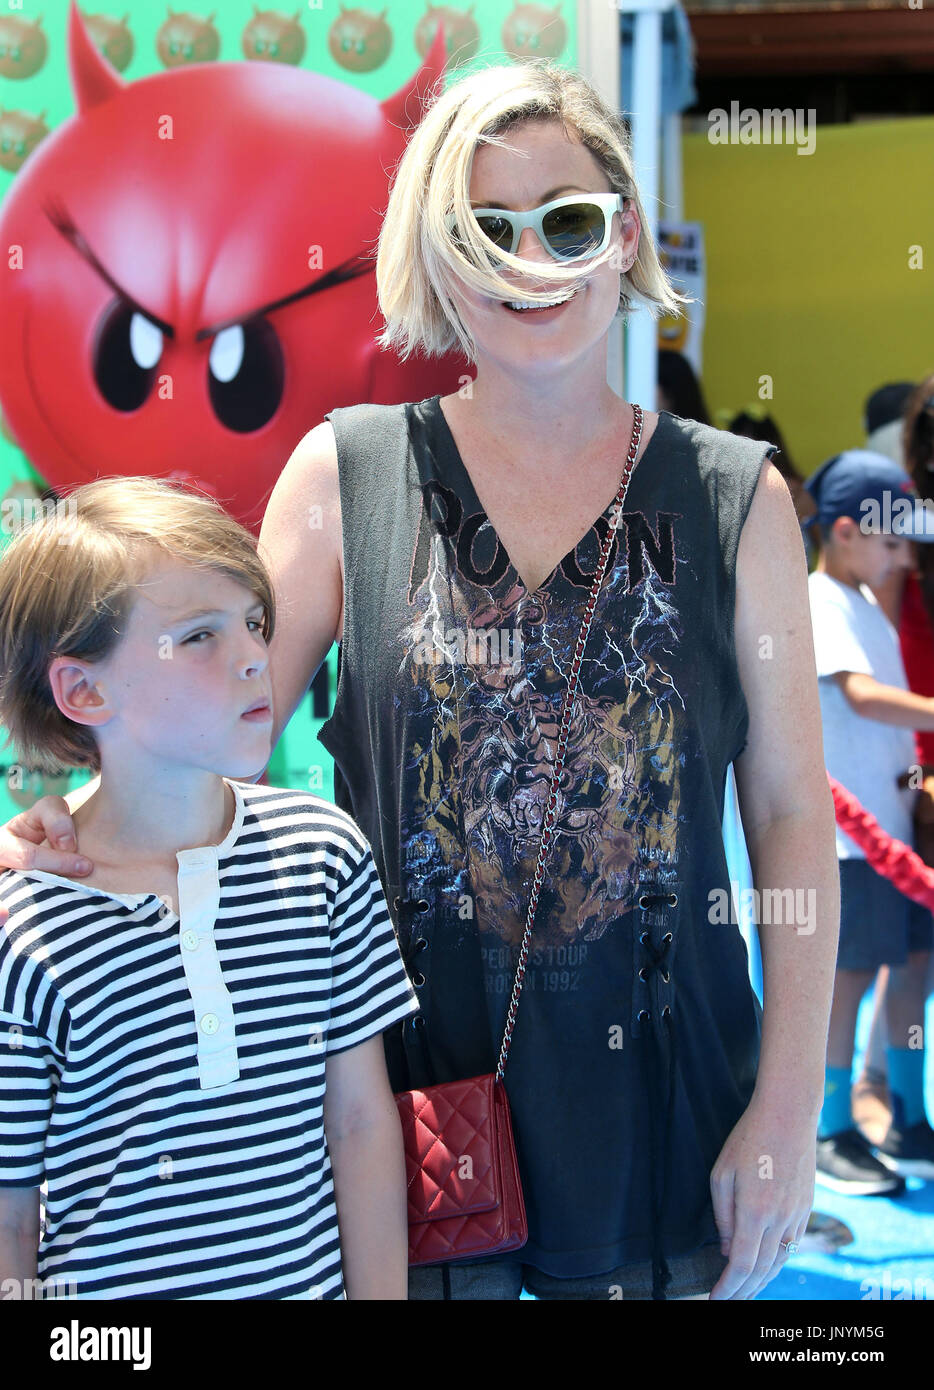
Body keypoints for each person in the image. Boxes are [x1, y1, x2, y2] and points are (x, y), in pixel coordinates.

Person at [0, 60, 839, 1301]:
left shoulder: (736, 499)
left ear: (621, 239)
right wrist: (59, 824)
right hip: (410, 1141)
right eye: (479, 228)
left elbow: (786, 815)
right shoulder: (348, 478)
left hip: (671, 1117)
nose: (525, 261)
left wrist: (786, 1110)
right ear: (433, 258)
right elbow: (215, 721)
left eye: (563, 220)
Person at [0, 476, 419, 1300]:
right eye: (198, 636)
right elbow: (10, 1216)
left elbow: (362, 1126)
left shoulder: (324, 856)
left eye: (254, 622)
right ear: (85, 690)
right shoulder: (24, 929)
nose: (258, 654)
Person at [803, 449, 934, 1193]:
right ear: (846, 532)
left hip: (888, 835)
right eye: (892, 541)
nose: (904, 556)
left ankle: (910, 1118)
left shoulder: (870, 608)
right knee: (847, 976)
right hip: (849, 845)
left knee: (912, 966)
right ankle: (830, 1129)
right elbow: (858, 698)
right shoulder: (823, 599)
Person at [850, 377, 934, 1162]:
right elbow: (866, 635)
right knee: (910, 953)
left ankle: (894, 1098)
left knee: (917, 957)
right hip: (920, 778)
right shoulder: (907, 525)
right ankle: (890, 1104)